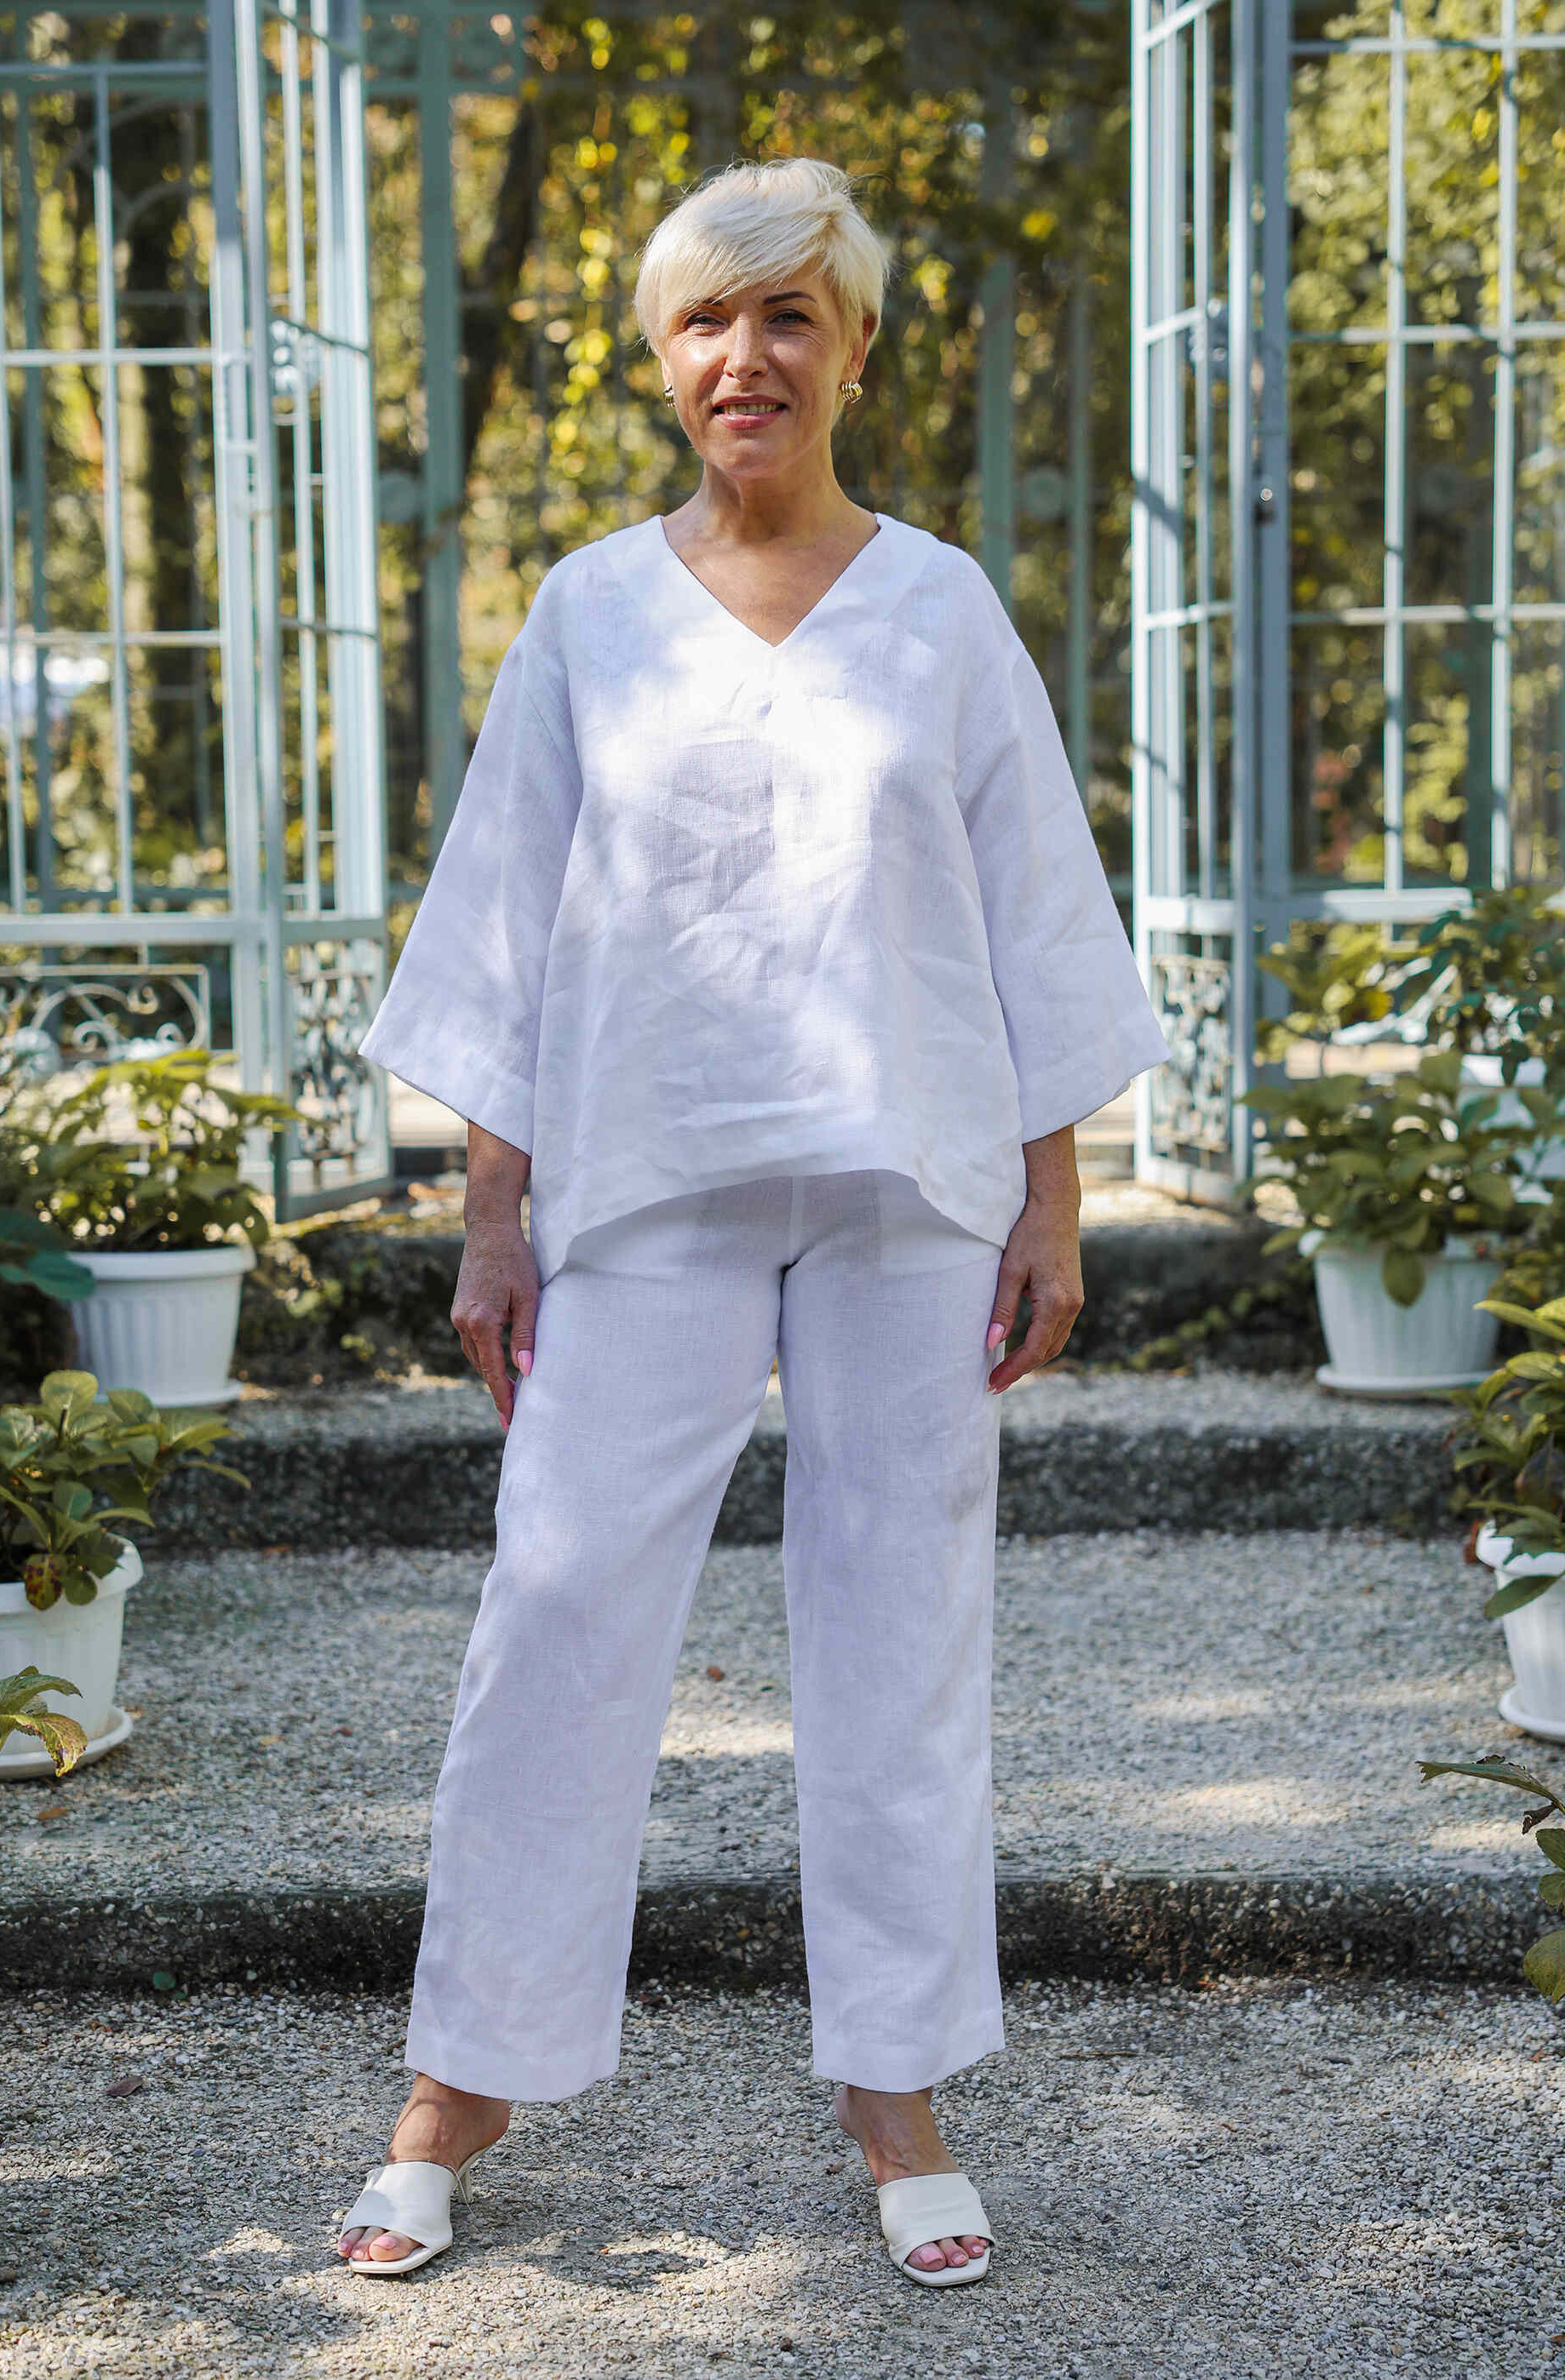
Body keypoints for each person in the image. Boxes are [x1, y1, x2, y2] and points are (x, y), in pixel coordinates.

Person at [339, 156, 1169, 2288]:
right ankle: (461, 2077)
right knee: (561, 1609)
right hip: (643, 1180)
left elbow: (1024, 923)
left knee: (900, 1636)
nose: (748, 357)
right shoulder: (592, 614)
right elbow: (515, 936)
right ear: (662, 358)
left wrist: (1051, 1207)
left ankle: (893, 2083)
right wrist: (491, 1224)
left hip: (907, 1188)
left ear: (856, 349)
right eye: (709, 321)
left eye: (791, 315)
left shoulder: (944, 607)